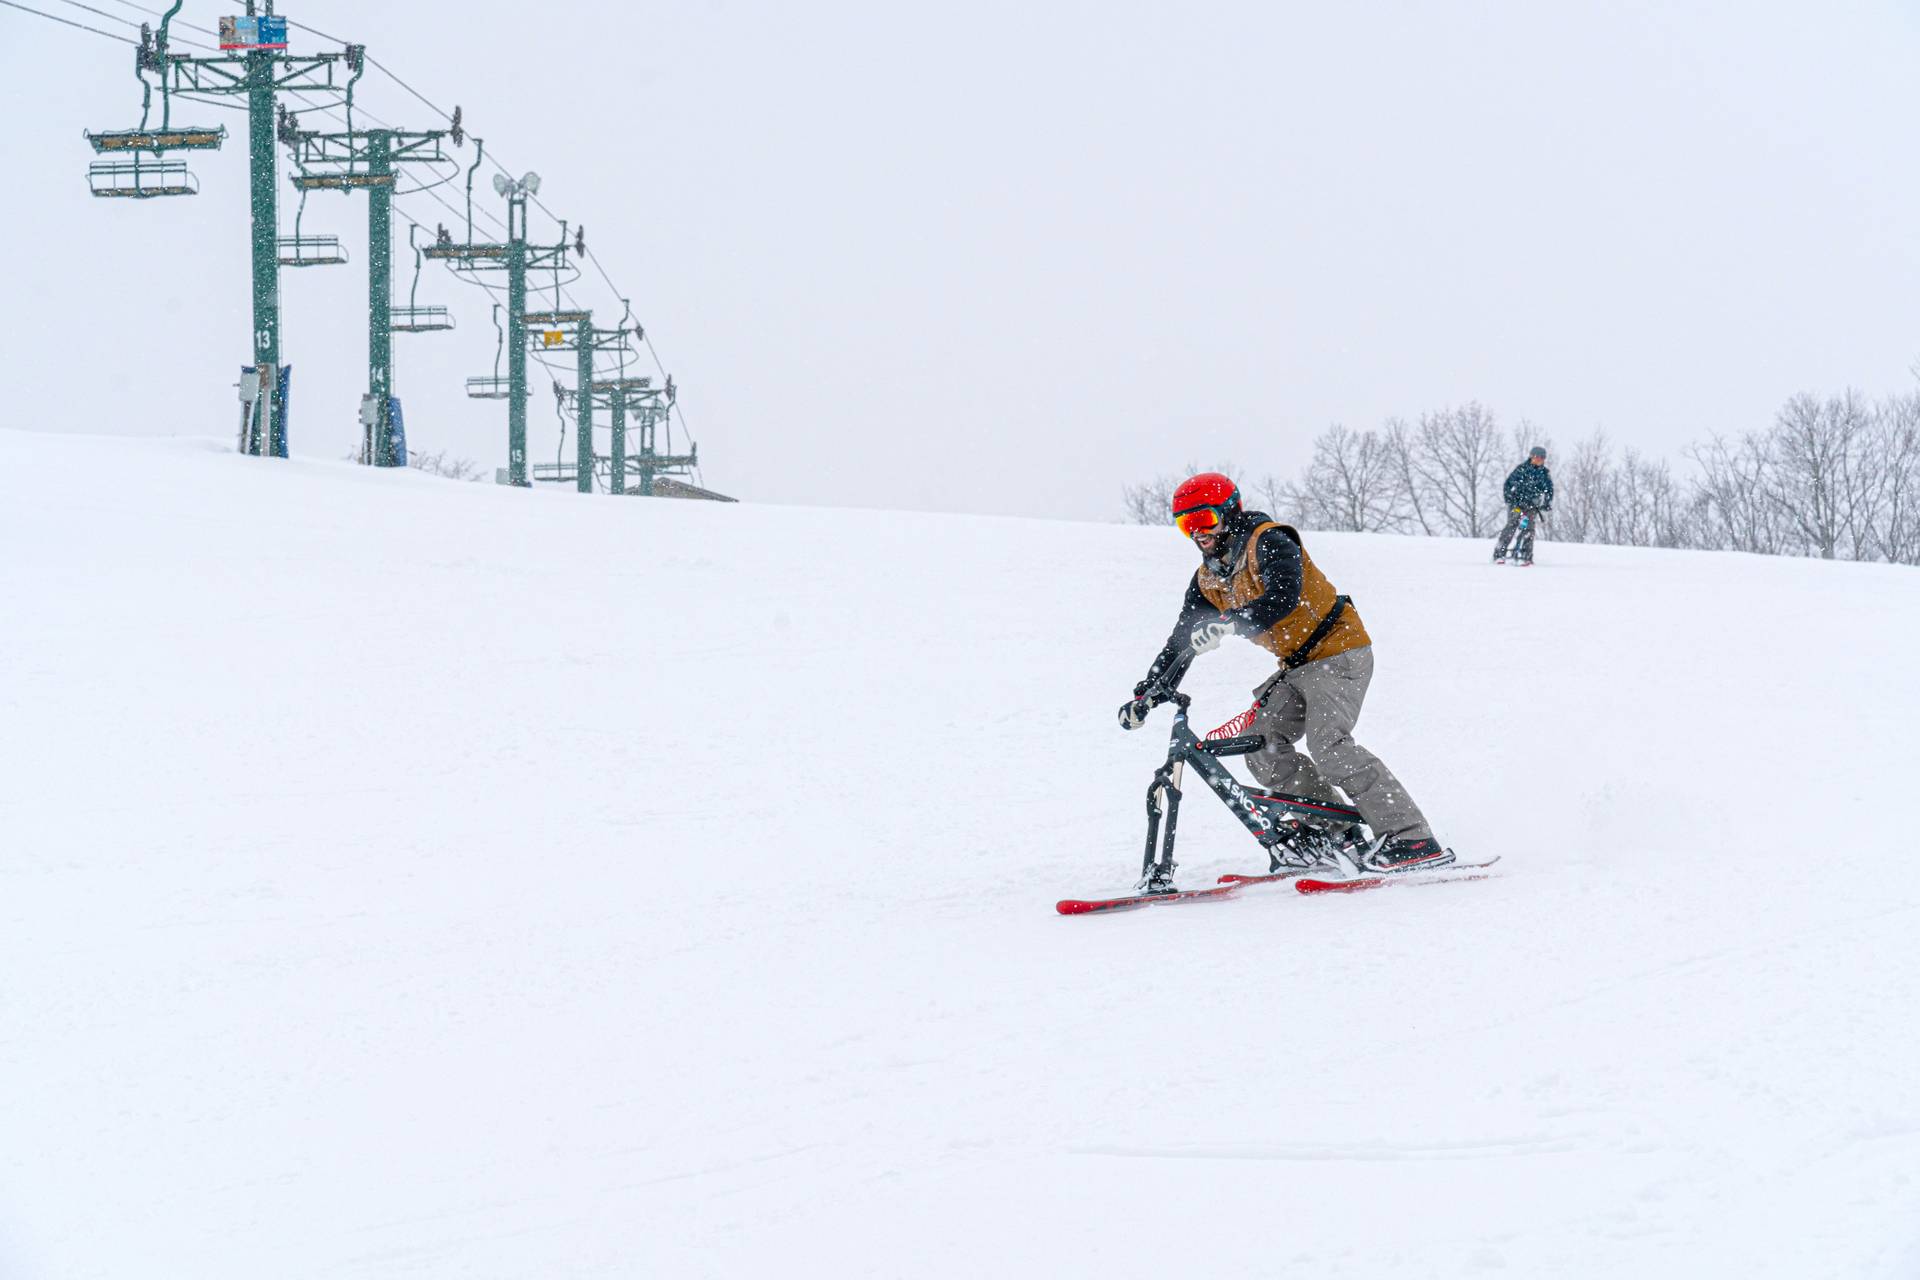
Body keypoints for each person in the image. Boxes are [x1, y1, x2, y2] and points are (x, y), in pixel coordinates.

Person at [1118, 472, 1450, 873]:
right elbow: (1180, 639)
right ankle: (1334, 834)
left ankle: (1413, 839)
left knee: (1329, 745)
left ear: (1228, 512)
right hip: (1295, 666)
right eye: (1185, 525)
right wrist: (1149, 692)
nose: (1197, 534)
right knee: (1259, 744)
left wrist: (1232, 622)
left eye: (1203, 520)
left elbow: (1283, 596)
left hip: (1339, 650)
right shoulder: (1207, 577)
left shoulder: (1269, 540)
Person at [1492, 446, 1554, 565]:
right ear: (1531, 457)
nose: (1539, 460)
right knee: (1512, 525)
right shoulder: (1521, 469)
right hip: (1517, 504)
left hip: (1531, 506)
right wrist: (1509, 498)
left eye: (1542, 458)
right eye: (1537, 457)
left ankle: (1526, 556)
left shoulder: (1544, 474)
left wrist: (1547, 503)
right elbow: (1508, 484)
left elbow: (1549, 490)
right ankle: (1499, 553)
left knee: (1529, 529)